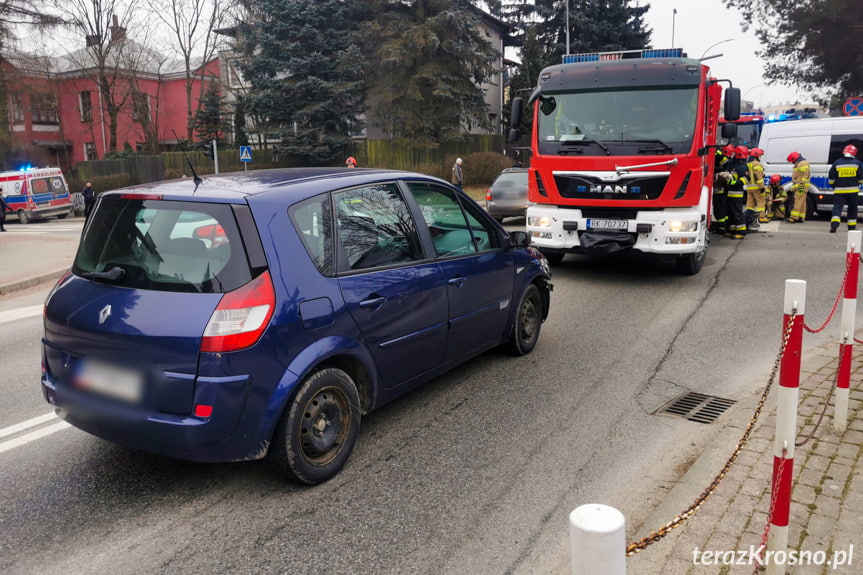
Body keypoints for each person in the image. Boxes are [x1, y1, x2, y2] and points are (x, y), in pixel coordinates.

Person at [827, 144, 863, 233]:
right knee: (852, 208)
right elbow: (861, 179)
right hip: (853, 191)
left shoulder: (837, 163)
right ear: (854, 153)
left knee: (837, 207)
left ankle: (834, 225)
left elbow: (831, 178)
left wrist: (834, 186)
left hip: (839, 191)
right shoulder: (858, 163)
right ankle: (851, 228)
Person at [725, 145, 750, 239]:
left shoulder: (743, 167)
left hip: (736, 194)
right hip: (729, 192)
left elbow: (746, 179)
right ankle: (732, 230)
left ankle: (741, 231)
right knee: (730, 212)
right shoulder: (732, 165)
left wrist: (735, 182)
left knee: (737, 212)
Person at [710, 144, 734, 234]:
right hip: (718, 185)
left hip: (718, 185)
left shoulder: (717, 155)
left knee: (719, 206)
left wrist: (721, 174)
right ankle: (724, 225)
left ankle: (721, 227)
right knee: (721, 205)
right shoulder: (717, 154)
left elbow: (727, 165)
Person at [787, 151, 810, 223]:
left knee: (797, 201)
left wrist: (800, 185)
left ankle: (794, 217)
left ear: (795, 159)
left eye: (792, 161)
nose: (792, 162)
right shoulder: (801, 163)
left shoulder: (802, 164)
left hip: (801, 186)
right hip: (802, 186)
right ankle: (801, 217)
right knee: (802, 202)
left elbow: (805, 176)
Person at [745, 147, 766, 228]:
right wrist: (762, 187)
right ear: (756, 155)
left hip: (749, 187)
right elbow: (759, 177)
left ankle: (748, 218)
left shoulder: (748, 164)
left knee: (750, 204)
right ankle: (761, 217)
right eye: (760, 155)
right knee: (761, 202)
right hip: (757, 187)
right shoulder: (757, 164)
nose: (760, 157)